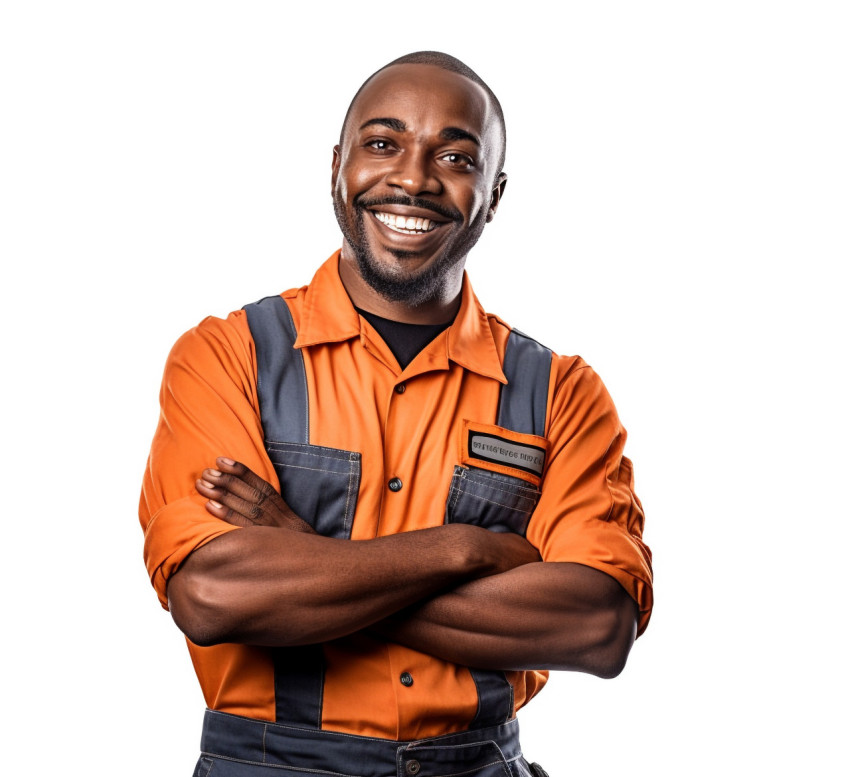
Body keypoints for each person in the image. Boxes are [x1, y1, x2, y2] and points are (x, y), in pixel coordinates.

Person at [140, 51, 653, 776]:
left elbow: (597, 625)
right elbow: (214, 593)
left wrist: (303, 546)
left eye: (455, 156)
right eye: (383, 144)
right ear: (335, 167)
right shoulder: (229, 356)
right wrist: (463, 550)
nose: (413, 177)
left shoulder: (561, 393)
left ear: (495, 193)